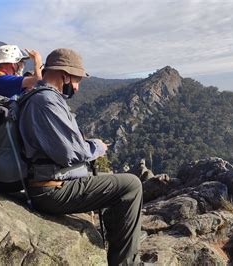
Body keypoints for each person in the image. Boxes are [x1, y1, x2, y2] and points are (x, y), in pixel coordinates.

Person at [18, 48, 142, 265]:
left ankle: (122, 242)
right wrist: (97, 146)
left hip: (47, 181)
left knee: (113, 181)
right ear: (64, 74)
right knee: (131, 185)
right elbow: (72, 153)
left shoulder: (35, 95)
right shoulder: (46, 101)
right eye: (77, 80)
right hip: (51, 190)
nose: (76, 86)